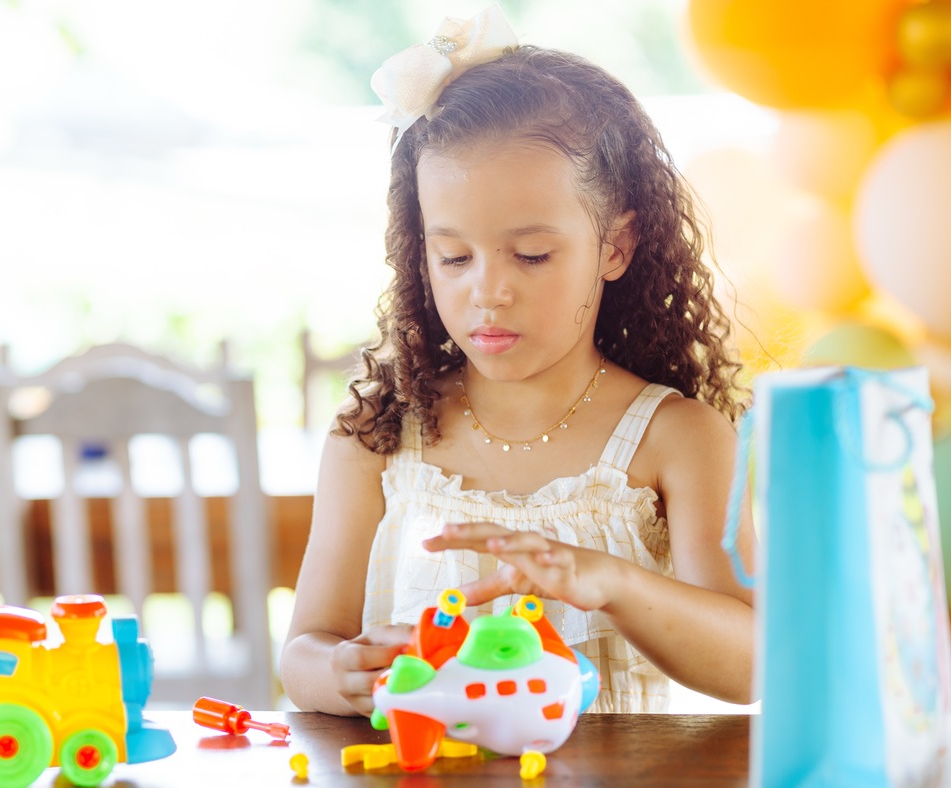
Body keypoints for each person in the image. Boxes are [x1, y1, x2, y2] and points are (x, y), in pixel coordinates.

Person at [279, 5, 757, 716]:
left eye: (532, 255)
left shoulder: (675, 438)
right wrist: (344, 672)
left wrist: (613, 583)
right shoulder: (375, 437)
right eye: (454, 256)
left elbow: (754, 664)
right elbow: (304, 651)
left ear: (616, 247)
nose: (489, 291)